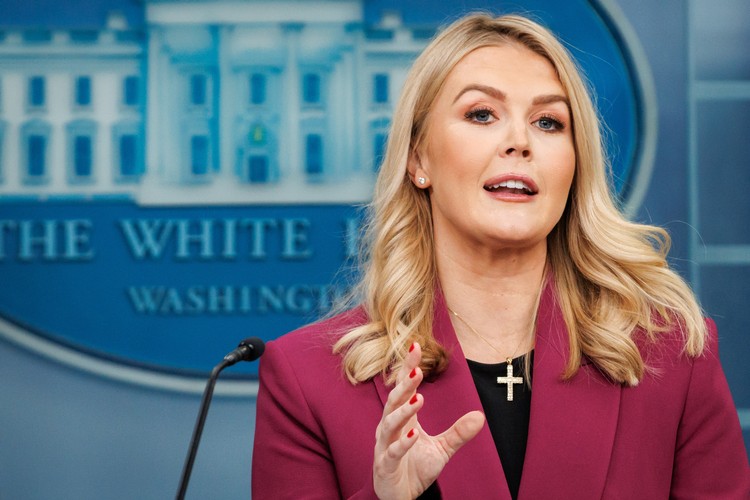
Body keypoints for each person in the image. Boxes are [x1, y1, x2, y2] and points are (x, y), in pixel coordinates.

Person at [252, 12, 750, 499]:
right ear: (418, 158)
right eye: (482, 114)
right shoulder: (305, 380)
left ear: (576, 165)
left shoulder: (673, 357)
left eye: (548, 122)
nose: (519, 141)